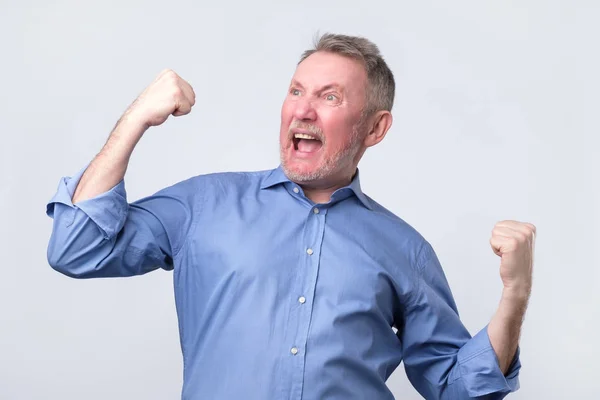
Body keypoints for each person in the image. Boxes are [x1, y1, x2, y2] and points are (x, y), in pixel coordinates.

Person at [46, 33, 535, 399]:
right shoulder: (204, 205)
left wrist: (515, 294)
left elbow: (456, 388)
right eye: (296, 91)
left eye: (329, 97)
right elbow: (76, 249)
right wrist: (136, 119)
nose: (303, 111)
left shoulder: (405, 249)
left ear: (375, 128)